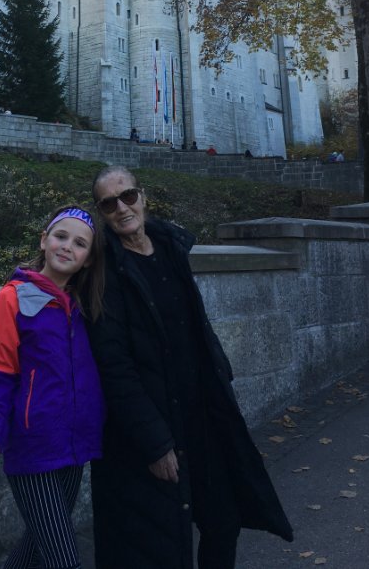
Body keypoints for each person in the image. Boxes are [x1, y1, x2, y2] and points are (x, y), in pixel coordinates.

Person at [87, 166, 293, 569]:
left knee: (223, 522)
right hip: (154, 427)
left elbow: (194, 326)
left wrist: (220, 372)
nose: (122, 208)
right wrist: (154, 442)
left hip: (201, 415)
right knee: (162, 545)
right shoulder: (104, 270)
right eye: (109, 204)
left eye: (127, 196)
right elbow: (113, 366)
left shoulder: (170, 246)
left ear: (142, 196)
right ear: (101, 213)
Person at [0, 205, 105, 569]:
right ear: (44, 240)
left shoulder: (83, 305)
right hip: (34, 449)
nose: (67, 247)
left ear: (87, 259)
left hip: (75, 447)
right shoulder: (13, 298)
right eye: (60, 236)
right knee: (64, 561)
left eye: (80, 243)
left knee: (35, 546)